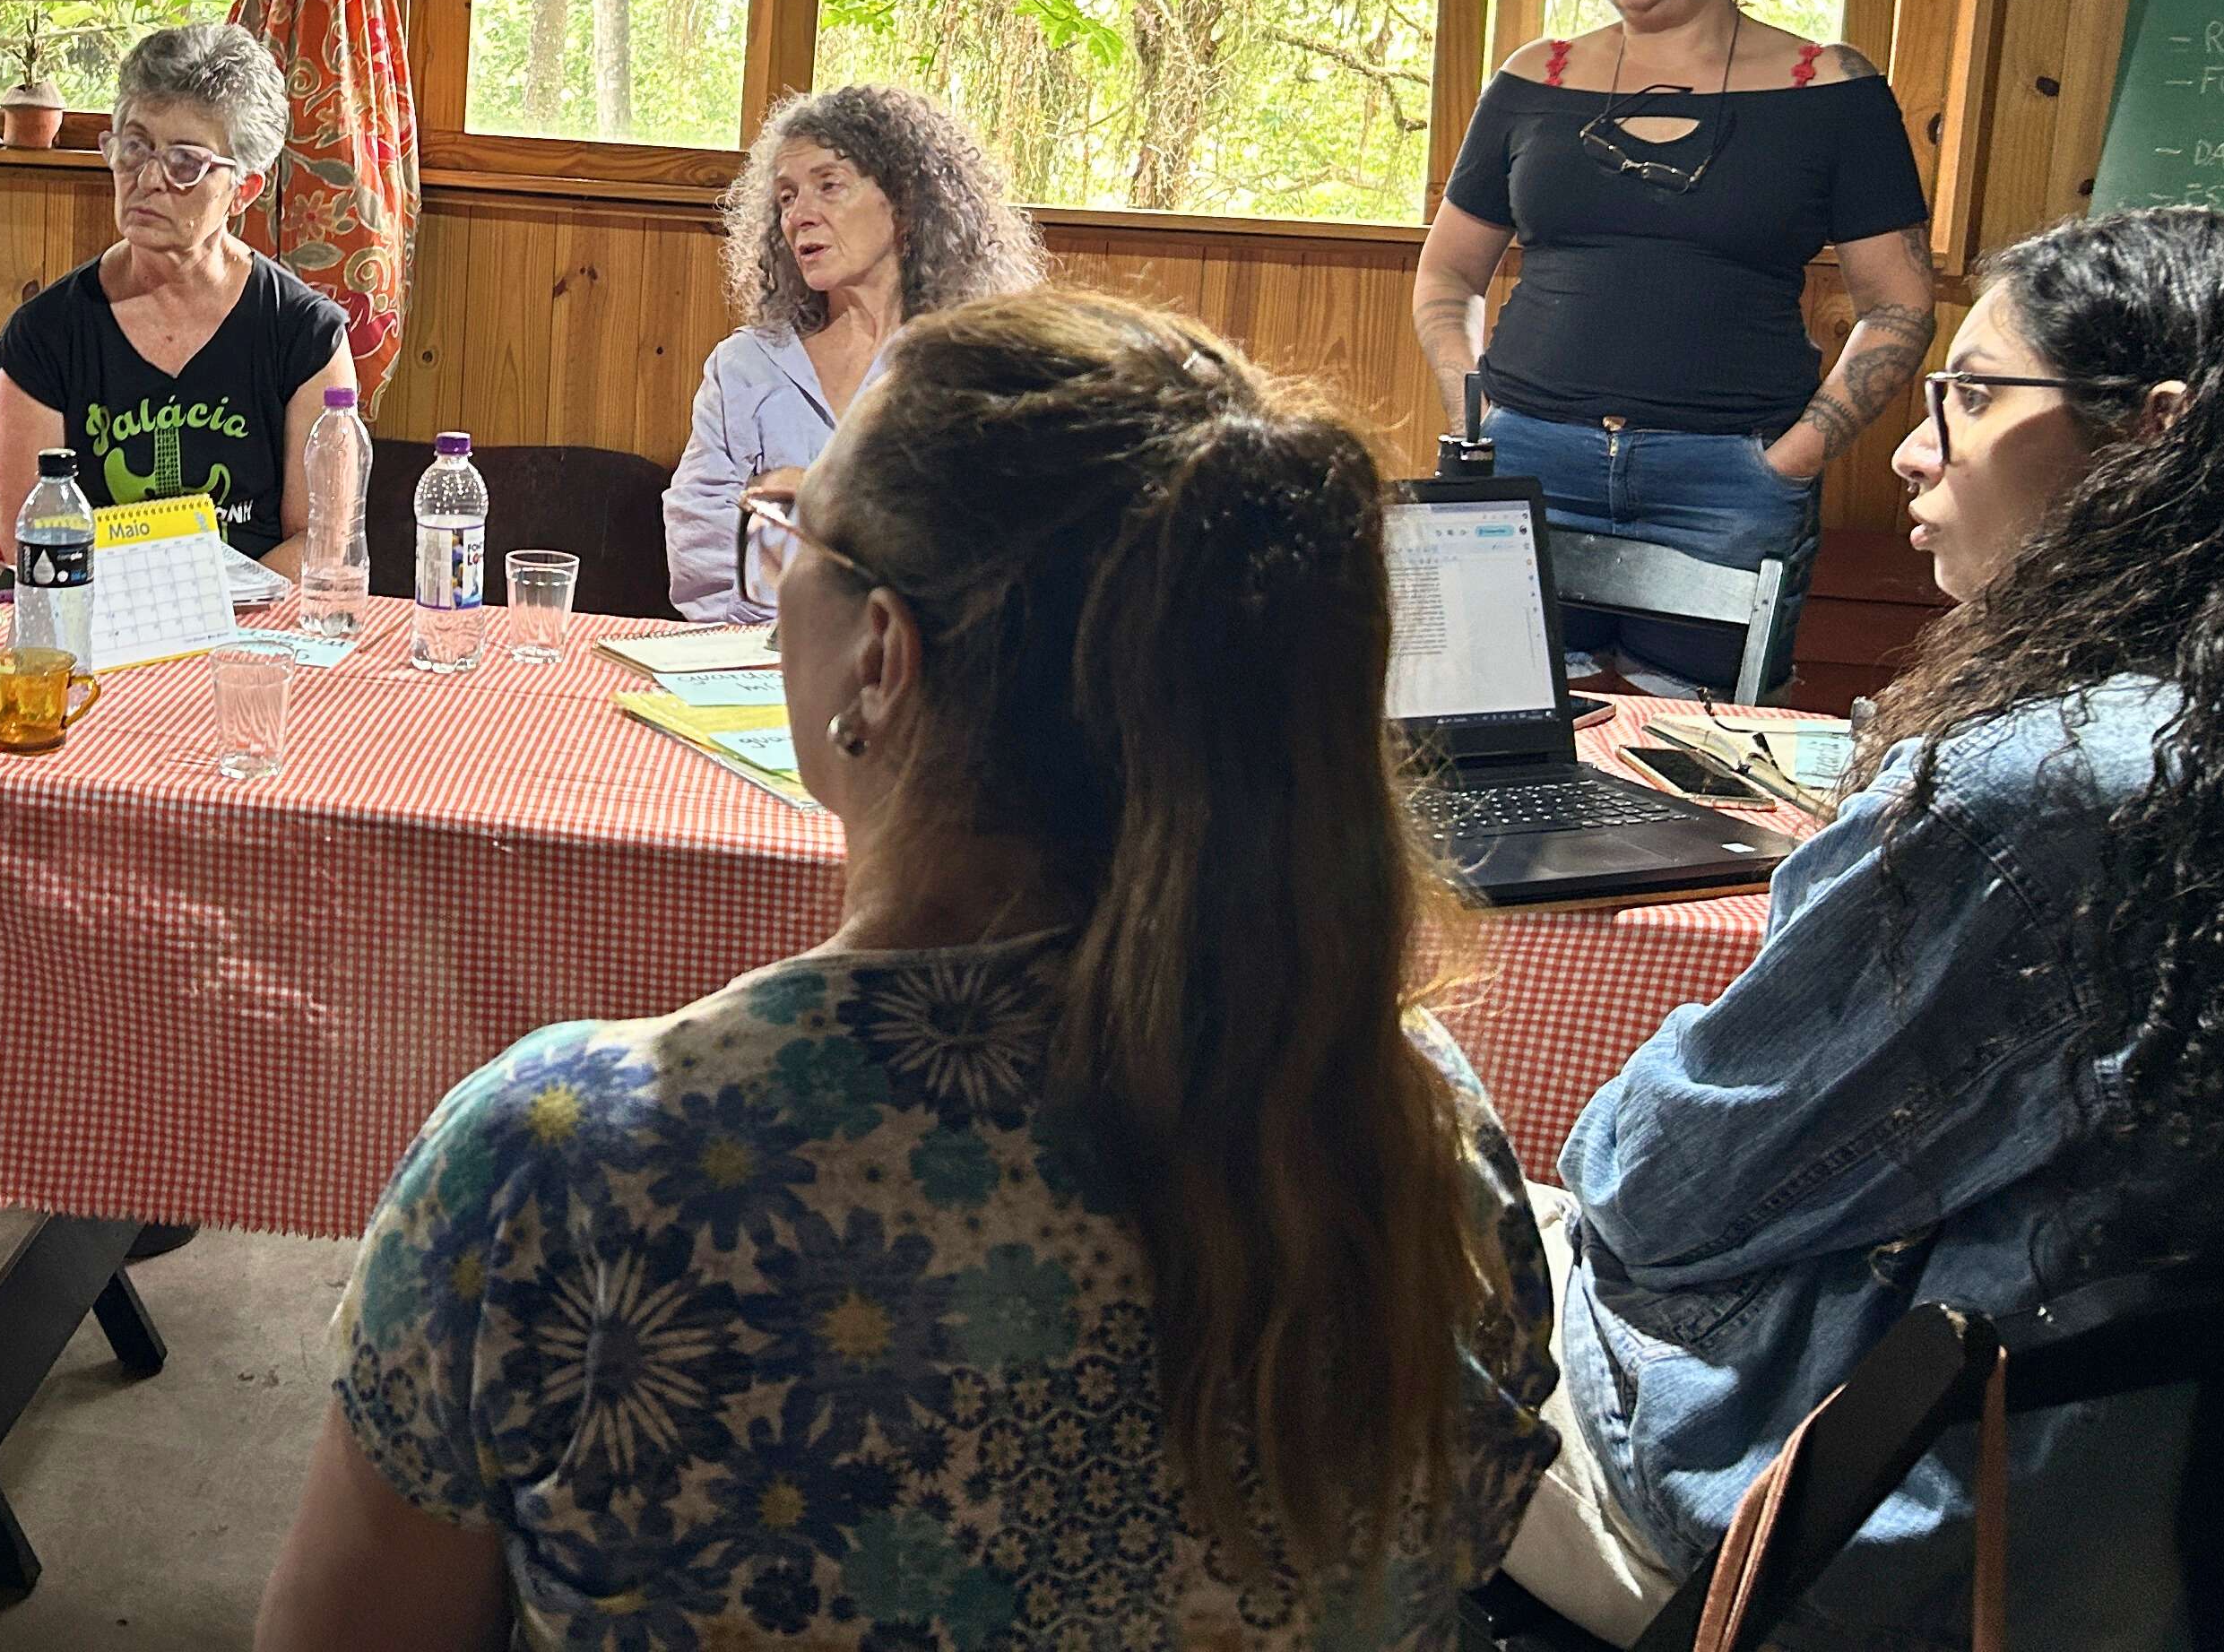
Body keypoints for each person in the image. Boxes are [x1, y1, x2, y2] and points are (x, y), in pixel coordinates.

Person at [263, 289, 1559, 1651]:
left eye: (790, 547)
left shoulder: (565, 1167)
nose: (771, 615)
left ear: (880, 655)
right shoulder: (1409, 1130)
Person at [1505, 202, 2224, 1649]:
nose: (1915, 446)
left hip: (1853, 1539)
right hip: (2150, 1531)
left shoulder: (2032, 794)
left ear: (2150, 435)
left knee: (1332, 1234)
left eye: (1974, 394)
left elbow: (1657, 1183)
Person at [1412, 0, 1934, 690]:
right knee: (1490, 733)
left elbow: (1902, 303)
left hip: (1729, 481)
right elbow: (1448, 271)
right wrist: (1475, 412)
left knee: (1702, 765)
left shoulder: (1834, 90)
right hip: (1525, 461)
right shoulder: (1535, 78)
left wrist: (1793, 458)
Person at [663, 83, 1044, 622]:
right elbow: (700, 557)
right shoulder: (742, 367)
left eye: (829, 186)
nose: (799, 216)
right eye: (787, 197)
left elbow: (979, 556)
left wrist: (809, 503)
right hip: (751, 665)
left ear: (906, 205)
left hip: (925, 672)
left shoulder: (974, 367)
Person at [0, 22, 355, 568]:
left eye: (186, 162)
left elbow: (319, 541)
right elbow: (30, 540)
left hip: (255, 627)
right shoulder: (46, 333)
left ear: (242, 190)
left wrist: (199, 616)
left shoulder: (303, 333)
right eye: (135, 147)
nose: (149, 178)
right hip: (96, 616)